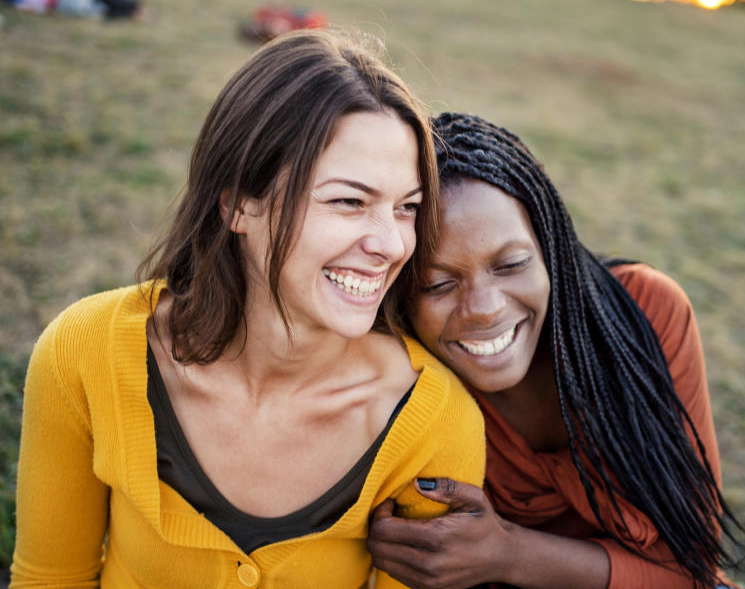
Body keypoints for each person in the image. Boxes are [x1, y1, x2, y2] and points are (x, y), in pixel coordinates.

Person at [11, 32, 485, 588]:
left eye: (407, 208)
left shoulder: (433, 420)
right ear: (238, 203)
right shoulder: (83, 352)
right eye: (348, 201)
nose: (390, 244)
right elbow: (49, 580)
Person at [367, 112, 745, 588]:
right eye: (438, 284)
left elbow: (694, 569)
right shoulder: (402, 379)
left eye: (511, 264)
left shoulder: (645, 313)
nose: (484, 309)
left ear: (550, 246)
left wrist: (508, 553)